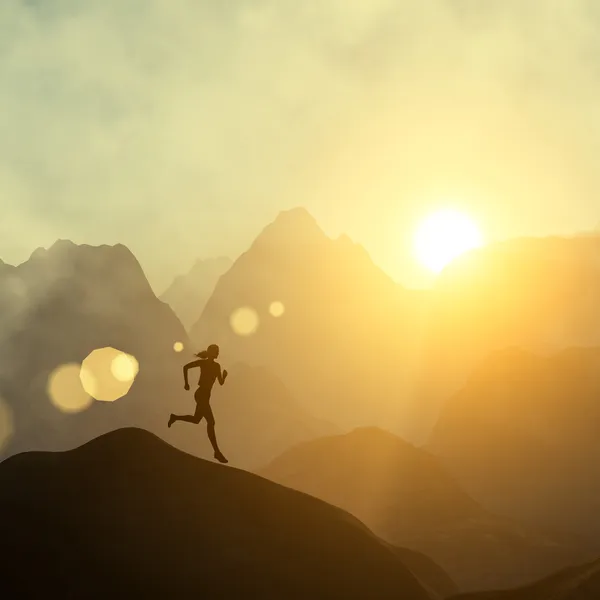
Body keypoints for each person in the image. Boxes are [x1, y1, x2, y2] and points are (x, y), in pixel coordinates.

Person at [168, 343, 229, 464]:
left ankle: (175, 417)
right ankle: (216, 452)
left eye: (218, 351)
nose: (217, 353)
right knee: (211, 422)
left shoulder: (217, 367)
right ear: (211, 352)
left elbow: (221, 382)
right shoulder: (204, 363)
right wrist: (186, 383)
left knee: (196, 419)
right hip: (200, 395)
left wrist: (224, 376)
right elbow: (185, 367)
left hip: (205, 396)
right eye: (216, 351)